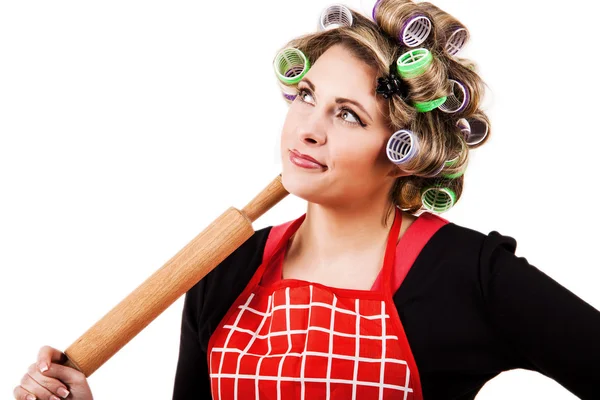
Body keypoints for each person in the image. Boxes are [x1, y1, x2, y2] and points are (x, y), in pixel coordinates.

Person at [13, 1, 600, 399]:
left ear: (403, 151)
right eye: (305, 95)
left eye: (347, 115)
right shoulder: (227, 268)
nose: (307, 129)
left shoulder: (468, 275)